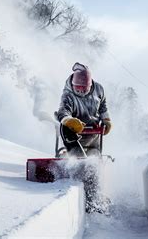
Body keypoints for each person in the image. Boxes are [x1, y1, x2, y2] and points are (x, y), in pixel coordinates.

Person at [55, 62, 112, 213]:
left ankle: (96, 199)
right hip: (74, 137)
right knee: (83, 165)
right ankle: (75, 165)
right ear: (73, 85)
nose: (80, 91)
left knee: (95, 164)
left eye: (84, 89)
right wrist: (69, 120)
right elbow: (62, 112)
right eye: (77, 88)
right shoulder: (68, 94)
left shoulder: (99, 89)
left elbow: (103, 107)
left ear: (90, 84)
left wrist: (106, 120)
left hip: (93, 135)